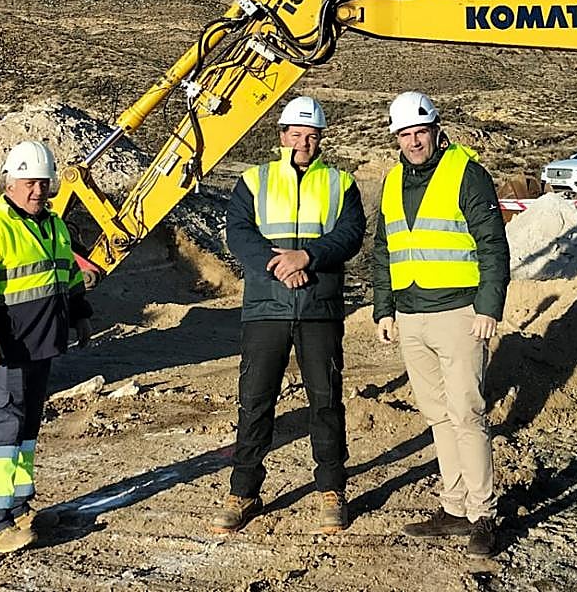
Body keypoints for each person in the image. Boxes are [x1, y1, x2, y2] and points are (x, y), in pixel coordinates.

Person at [212, 96, 365, 535]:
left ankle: (332, 489)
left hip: (319, 307)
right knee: (255, 401)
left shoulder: (340, 183)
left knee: (326, 402)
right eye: (296, 134)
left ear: (321, 140)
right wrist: (278, 265)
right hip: (267, 307)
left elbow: (351, 234)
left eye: (311, 136)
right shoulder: (254, 180)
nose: (303, 143)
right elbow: (239, 232)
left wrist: (307, 256)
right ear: (281, 135)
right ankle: (243, 492)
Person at [372, 91, 510, 557]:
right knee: (437, 416)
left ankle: (483, 513)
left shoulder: (466, 173)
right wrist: (383, 308)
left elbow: (492, 244)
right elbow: (384, 250)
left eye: (420, 132)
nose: (414, 142)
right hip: (411, 316)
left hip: (459, 315)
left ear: (436, 129)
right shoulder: (393, 181)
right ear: (396, 137)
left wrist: (489, 307)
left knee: (467, 413)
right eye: (405, 134)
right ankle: (454, 507)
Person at [0, 140, 94, 553]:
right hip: (3, 349)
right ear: (10, 183)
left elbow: (67, 276)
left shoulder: (54, 226)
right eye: (29, 182)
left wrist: (80, 314)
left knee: (26, 431)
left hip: (39, 346)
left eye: (43, 183)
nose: (37, 190)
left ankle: (18, 508)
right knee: (1, 434)